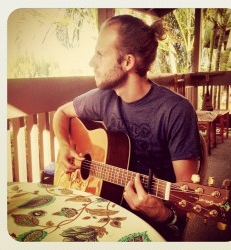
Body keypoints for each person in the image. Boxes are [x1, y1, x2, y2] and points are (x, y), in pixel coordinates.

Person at [53, 14, 201, 241]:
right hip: (104, 206)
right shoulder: (103, 98)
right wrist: (65, 146)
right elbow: (62, 113)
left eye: (100, 54)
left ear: (128, 62)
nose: (92, 62)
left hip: (155, 222)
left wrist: (162, 213)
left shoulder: (175, 111)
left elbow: (186, 202)